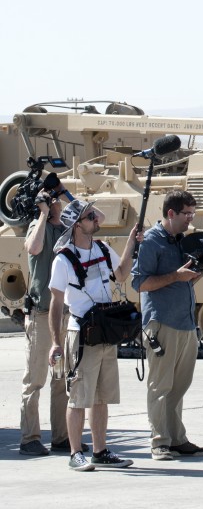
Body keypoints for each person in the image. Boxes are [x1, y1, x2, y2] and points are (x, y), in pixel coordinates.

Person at [48, 198, 140, 471]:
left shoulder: (101, 247)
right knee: (78, 397)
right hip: (82, 334)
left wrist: (132, 242)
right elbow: (56, 303)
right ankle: (76, 453)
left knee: (102, 397)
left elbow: (121, 275)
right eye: (90, 217)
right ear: (77, 224)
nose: (97, 220)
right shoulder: (63, 259)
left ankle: (100, 451)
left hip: (106, 331)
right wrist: (55, 342)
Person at [132, 189, 203, 461]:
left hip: (185, 322)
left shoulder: (181, 241)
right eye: (186, 214)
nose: (190, 219)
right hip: (161, 323)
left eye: (192, 214)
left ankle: (176, 438)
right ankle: (158, 442)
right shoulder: (152, 241)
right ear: (170, 213)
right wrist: (175, 276)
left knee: (180, 386)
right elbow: (140, 283)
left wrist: (199, 273)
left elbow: (183, 281)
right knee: (160, 386)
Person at [19, 173, 74, 456]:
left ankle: (61, 437)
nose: (57, 204)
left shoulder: (67, 227)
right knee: (36, 378)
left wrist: (65, 193)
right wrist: (41, 213)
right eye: (52, 199)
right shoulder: (36, 226)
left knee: (61, 379)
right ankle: (29, 437)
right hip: (42, 313)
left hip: (65, 313)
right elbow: (35, 248)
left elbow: (94, 218)